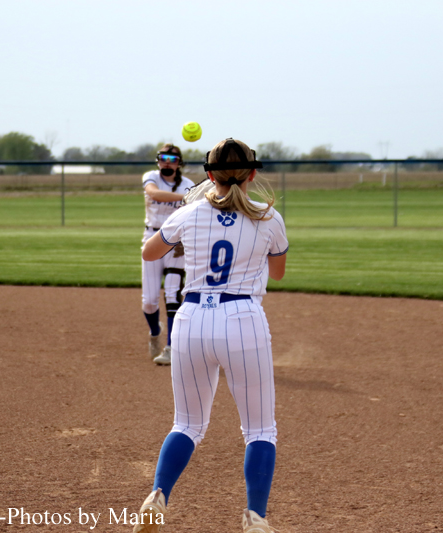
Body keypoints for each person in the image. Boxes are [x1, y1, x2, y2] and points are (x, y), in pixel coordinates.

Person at [135, 138, 288, 533]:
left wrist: (189, 217)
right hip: (243, 319)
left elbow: (150, 253)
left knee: (186, 424)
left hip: (191, 321)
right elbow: (279, 272)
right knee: (260, 429)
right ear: (253, 174)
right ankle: (255, 516)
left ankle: (157, 496)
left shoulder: (191, 212)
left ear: (207, 174)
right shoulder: (269, 217)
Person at [141, 143, 195, 365]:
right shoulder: (152, 176)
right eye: (164, 157)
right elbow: (153, 193)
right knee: (149, 302)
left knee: (173, 294)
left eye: (173, 159)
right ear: (158, 160)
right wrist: (185, 198)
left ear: (179, 163)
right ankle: (155, 331)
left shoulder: (189, 185)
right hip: (152, 238)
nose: (168, 162)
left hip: (176, 243)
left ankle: (172, 348)